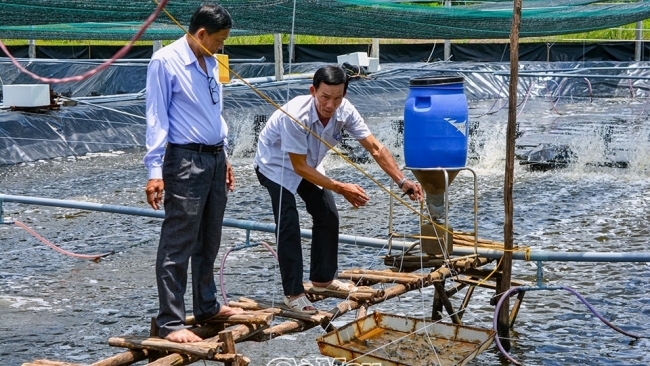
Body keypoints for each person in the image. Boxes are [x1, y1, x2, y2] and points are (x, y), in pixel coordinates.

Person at [254, 65, 423, 313]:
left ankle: (323, 280)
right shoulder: (295, 115)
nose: (330, 105)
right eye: (324, 97)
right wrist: (341, 187)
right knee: (288, 221)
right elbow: (298, 167)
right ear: (313, 91)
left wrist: (402, 181)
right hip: (275, 164)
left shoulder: (345, 110)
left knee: (328, 214)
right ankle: (294, 293)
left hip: (308, 163)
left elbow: (375, 148)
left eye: (337, 98)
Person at [143, 4, 243, 343]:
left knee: (210, 238)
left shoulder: (212, 62)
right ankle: (171, 321)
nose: (221, 46)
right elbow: (156, 118)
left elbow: (215, 113)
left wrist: (225, 155)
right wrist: (155, 171)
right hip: (184, 159)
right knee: (178, 241)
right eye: (218, 40)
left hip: (214, 158)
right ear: (200, 34)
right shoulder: (165, 61)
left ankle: (207, 305)